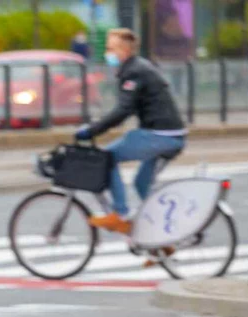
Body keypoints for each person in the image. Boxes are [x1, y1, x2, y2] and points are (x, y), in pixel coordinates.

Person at [75, 28, 186, 234]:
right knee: (141, 184)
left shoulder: (133, 71)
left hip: (161, 135)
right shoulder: (136, 68)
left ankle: (120, 214)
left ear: (123, 50)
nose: (107, 52)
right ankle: (164, 239)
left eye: (110, 48)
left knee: (107, 156)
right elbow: (126, 109)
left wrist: (92, 130)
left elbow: (123, 111)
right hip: (168, 133)